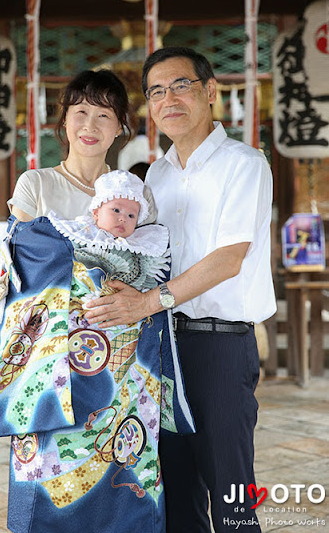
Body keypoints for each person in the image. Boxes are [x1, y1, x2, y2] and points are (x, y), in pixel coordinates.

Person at [84, 47, 277, 533]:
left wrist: (148, 301)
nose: (168, 98)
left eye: (180, 85)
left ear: (210, 91)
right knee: (174, 494)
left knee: (233, 499)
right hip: (160, 348)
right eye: (155, 91)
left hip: (221, 345)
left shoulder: (244, 163)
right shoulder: (155, 177)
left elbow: (229, 258)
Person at [0, 171, 194, 530]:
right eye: (80, 111)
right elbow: (22, 258)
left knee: (126, 462)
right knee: (47, 467)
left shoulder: (146, 198)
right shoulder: (37, 182)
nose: (90, 125)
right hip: (57, 358)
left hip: (124, 364)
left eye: (104, 115)